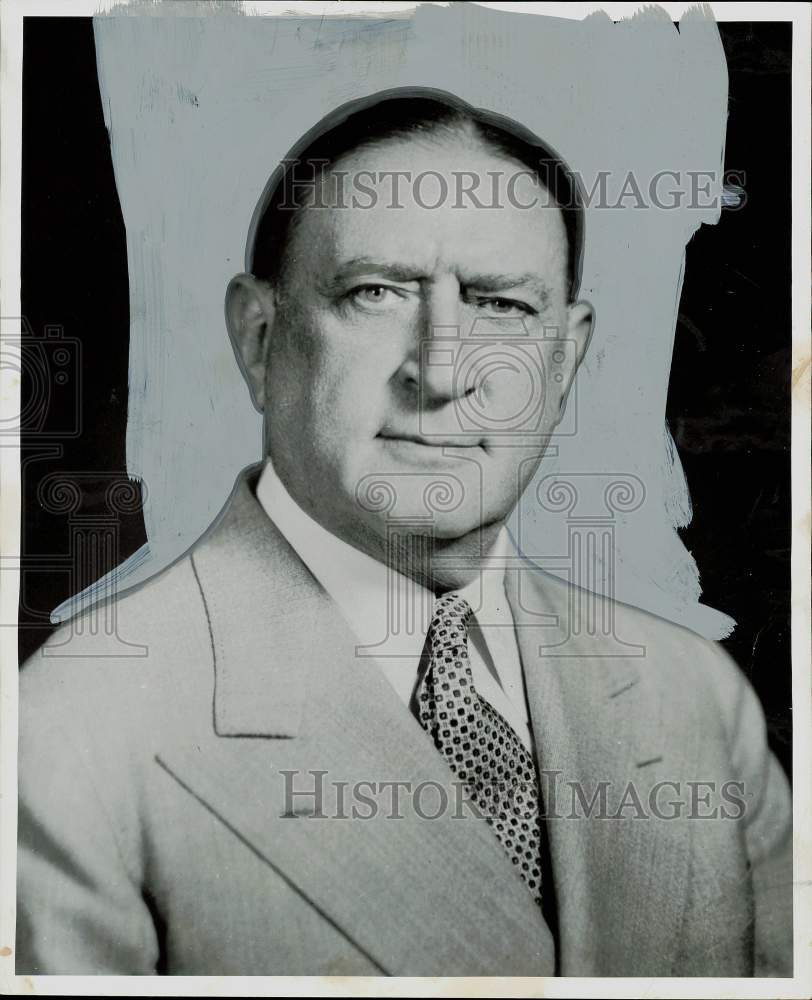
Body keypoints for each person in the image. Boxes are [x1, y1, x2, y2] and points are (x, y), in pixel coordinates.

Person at [16, 90, 792, 978]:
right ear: (259, 338)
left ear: (565, 357)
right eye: (376, 293)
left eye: (501, 306)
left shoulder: (694, 699)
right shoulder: (70, 735)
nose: (443, 371)